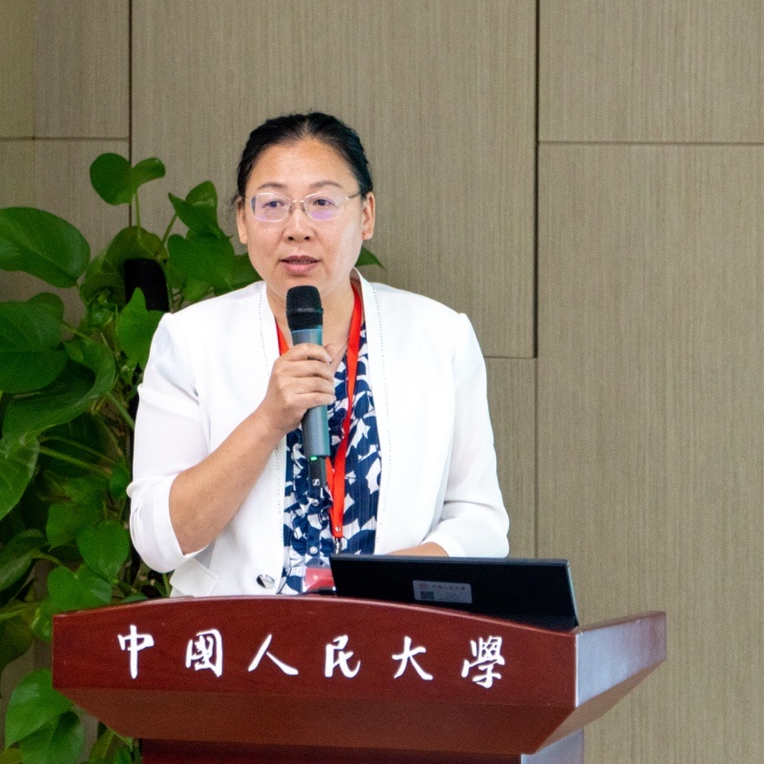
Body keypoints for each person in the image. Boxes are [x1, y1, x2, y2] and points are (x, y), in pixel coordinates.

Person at [129, 112, 509, 596]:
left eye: (322, 203)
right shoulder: (190, 340)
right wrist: (267, 421)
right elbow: (157, 542)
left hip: (386, 629)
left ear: (366, 215)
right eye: (272, 204)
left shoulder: (440, 336)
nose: (297, 228)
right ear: (242, 220)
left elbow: (480, 521)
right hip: (241, 634)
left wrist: (380, 585)